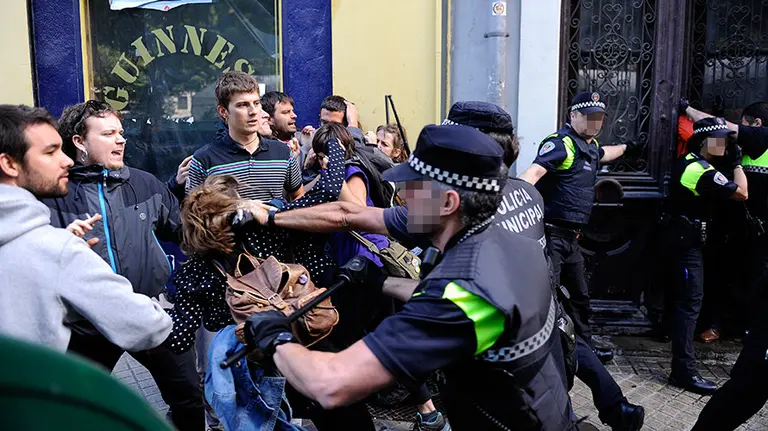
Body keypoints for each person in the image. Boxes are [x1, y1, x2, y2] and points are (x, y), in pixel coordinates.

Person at [245, 124, 574, 430]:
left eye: (413, 188)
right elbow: (354, 215)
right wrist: (381, 283)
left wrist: (276, 336)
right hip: (548, 411)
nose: (402, 195)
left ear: (448, 202)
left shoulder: (461, 297)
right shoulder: (518, 245)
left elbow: (331, 384)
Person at [39, 100, 203, 431]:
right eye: (109, 133)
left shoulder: (145, 183)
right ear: (79, 142)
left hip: (147, 311)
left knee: (188, 398)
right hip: (86, 325)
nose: (121, 140)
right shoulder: (53, 193)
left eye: (122, 132)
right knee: (71, 408)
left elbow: (189, 235)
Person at [0, 104, 171, 353]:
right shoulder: (57, 249)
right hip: (35, 385)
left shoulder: (145, 183)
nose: (66, 160)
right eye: (50, 152)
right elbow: (149, 326)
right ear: (9, 164)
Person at [519, 91, 634, 360]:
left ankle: (584, 349)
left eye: (600, 118)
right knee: (545, 295)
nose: (596, 123)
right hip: (551, 236)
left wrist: (629, 148)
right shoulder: (561, 144)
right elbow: (532, 174)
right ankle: (540, 352)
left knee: (580, 296)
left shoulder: (590, 146)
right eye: (589, 117)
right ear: (573, 116)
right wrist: (510, 206)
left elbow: (605, 153)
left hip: (572, 240)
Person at [680, 100, 768, 429]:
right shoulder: (696, 167)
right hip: (715, 238)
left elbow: (740, 192)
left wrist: (688, 110)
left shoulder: (754, 141)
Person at [661, 116, 748, 395]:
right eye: (719, 140)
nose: (724, 144)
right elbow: (742, 193)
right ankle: (683, 371)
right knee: (689, 304)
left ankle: (681, 365)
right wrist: (736, 163)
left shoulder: (692, 163)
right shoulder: (700, 170)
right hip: (686, 247)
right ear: (703, 142)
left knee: (686, 302)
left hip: (685, 242)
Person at [186, 72, 304, 201]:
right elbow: (193, 212)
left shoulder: (282, 152)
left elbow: (298, 196)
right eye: (243, 105)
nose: (253, 111)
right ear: (223, 111)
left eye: (256, 103)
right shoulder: (205, 159)